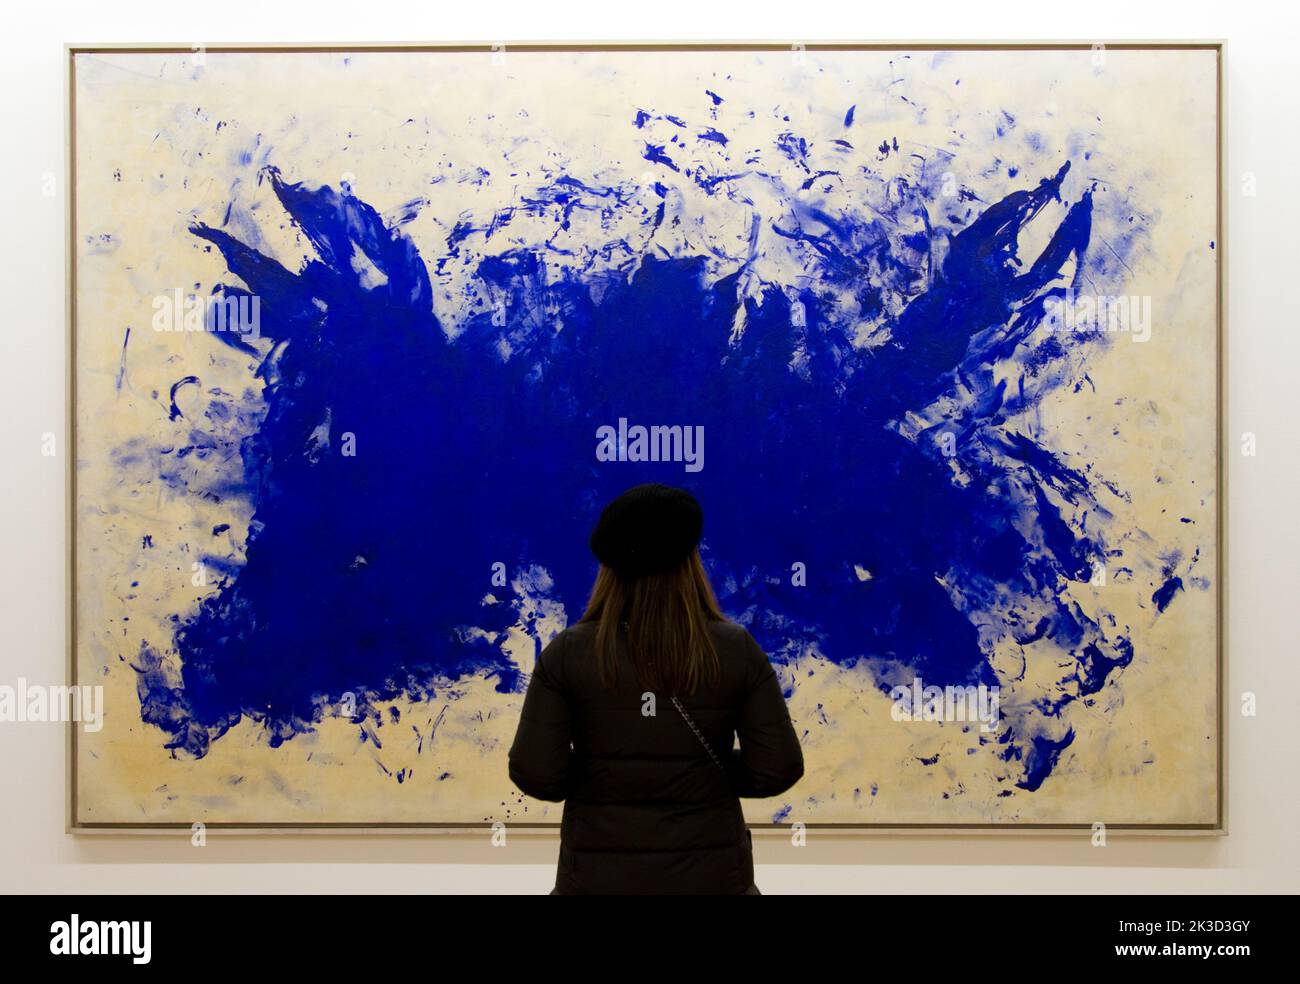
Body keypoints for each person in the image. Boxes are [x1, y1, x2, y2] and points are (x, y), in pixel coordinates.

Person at [507, 483, 804, 894]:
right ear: (690, 561)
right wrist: (698, 770)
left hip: (596, 879)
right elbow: (778, 768)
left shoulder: (568, 653)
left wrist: (610, 770)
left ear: (609, 567)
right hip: (713, 877)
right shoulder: (735, 649)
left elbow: (537, 776)